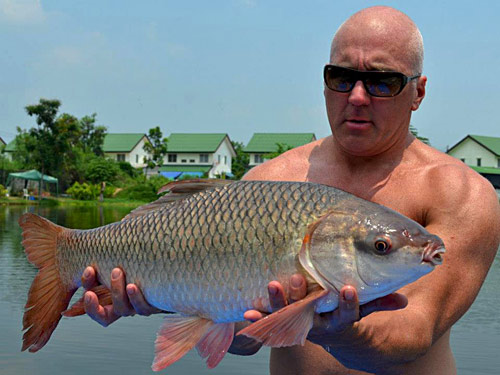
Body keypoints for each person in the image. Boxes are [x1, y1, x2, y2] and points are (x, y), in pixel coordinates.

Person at [80, 6, 500, 374]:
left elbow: (413, 333)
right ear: (324, 82)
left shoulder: (463, 193)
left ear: (418, 93)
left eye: (381, 82)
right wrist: (172, 299)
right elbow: (244, 341)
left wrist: (324, 328)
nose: (356, 97)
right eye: (341, 77)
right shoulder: (268, 182)